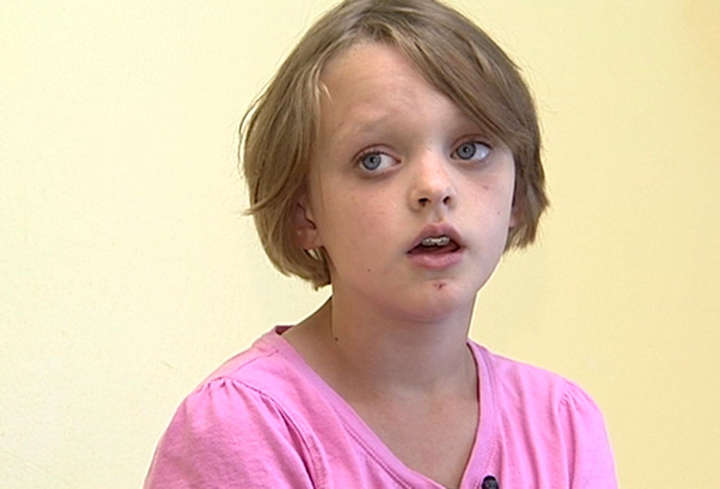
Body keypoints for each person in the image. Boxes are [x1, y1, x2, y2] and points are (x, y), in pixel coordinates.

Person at [143, 0, 618, 487]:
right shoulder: (244, 427)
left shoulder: (563, 424)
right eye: (375, 160)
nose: (434, 186)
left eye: (469, 149)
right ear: (305, 212)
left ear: (517, 193)